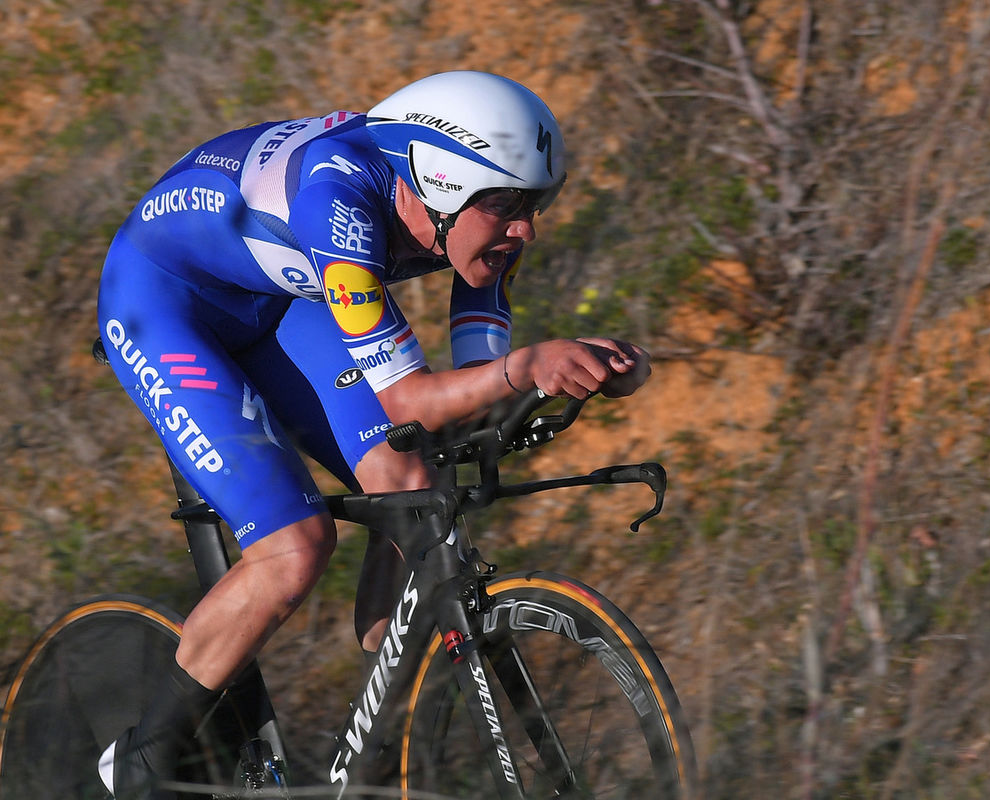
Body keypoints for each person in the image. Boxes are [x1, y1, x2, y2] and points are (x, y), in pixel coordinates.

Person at [94, 71, 650, 799]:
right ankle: (134, 769)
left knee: (412, 481)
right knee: (293, 551)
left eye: (536, 204)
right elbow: (412, 395)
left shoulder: (470, 224)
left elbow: (472, 395)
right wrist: (528, 366)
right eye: (509, 205)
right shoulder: (341, 204)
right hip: (163, 301)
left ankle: (375, 731)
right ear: (445, 183)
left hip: (281, 296)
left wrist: (574, 372)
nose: (527, 229)